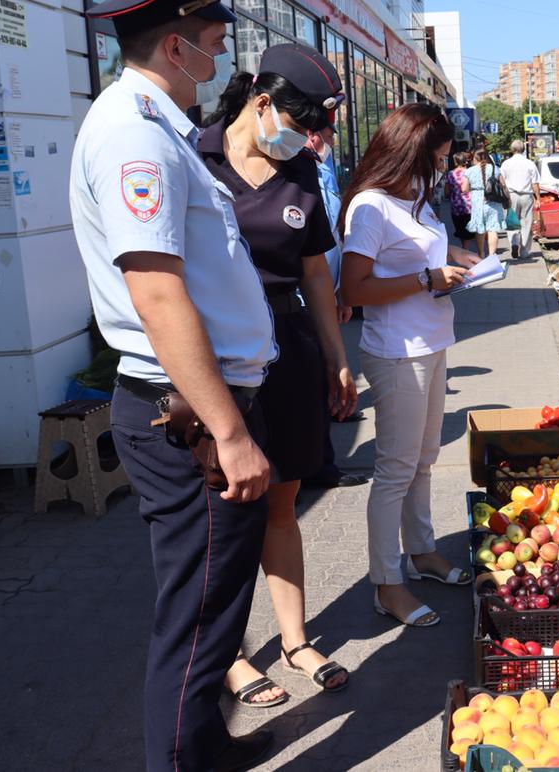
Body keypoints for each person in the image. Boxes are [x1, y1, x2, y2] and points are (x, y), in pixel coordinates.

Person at [71, 0, 275, 771]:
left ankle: (202, 748)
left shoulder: (160, 122)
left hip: (198, 403)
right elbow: (157, 295)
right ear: (173, 42)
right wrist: (229, 433)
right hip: (188, 414)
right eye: (211, 30)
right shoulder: (133, 133)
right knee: (195, 622)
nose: (222, 43)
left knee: (212, 610)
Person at [196, 43, 356, 708]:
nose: (307, 139)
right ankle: (228, 653)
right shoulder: (193, 158)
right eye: (302, 123)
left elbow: (315, 271)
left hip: (288, 352)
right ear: (262, 103)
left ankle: (293, 639)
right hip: (218, 363)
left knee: (283, 505)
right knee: (227, 514)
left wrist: (336, 356)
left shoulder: (299, 175)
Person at [339, 104, 481, 627]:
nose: (441, 169)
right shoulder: (371, 207)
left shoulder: (414, 200)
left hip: (431, 342)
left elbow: (420, 258)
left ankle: (421, 553)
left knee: (421, 460)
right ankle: (387, 584)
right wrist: (427, 281)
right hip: (397, 351)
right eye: (436, 159)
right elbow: (353, 289)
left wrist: (462, 261)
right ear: (409, 154)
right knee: (395, 470)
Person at [306, 123, 371, 490]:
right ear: (314, 134)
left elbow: (334, 230)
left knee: (326, 372)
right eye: (329, 135)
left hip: (325, 289)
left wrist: (339, 290)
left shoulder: (323, 166)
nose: (333, 143)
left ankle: (329, 431)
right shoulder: (296, 168)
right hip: (303, 298)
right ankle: (317, 468)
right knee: (314, 377)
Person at [499, 139, 541, 259]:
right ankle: (524, 252)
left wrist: (505, 195)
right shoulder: (529, 163)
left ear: (512, 150)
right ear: (523, 149)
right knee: (526, 223)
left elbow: (501, 182)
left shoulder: (506, 163)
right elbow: (535, 183)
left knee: (512, 222)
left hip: (511, 195)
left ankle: (514, 243)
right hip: (526, 196)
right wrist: (538, 198)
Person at [462, 148, 504, 258]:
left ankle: (481, 254)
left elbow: (464, 188)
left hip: (477, 201)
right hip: (493, 201)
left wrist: (475, 188)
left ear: (475, 158)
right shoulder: (496, 169)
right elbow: (503, 185)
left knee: (480, 229)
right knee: (492, 229)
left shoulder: (470, 171)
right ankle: (492, 256)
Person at [444, 151, 476, 250]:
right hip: (469, 204)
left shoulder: (450, 174)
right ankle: (465, 249)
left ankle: (464, 248)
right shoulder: (470, 172)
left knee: (460, 228)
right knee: (468, 229)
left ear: (455, 161)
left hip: (455, 205)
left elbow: (446, 191)